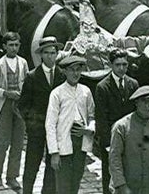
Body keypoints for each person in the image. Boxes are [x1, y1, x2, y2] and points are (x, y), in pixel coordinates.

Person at [20, 37, 66, 194]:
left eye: (53, 53)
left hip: (56, 128)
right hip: (37, 127)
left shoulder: (62, 75)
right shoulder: (32, 76)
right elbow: (23, 105)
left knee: (53, 163)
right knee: (32, 163)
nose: (50, 56)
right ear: (41, 55)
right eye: (46, 53)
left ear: (57, 54)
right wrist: (31, 122)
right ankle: (27, 191)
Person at [46, 55, 96, 194]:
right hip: (64, 141)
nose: (75, 73)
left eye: (78, 70)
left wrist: (88, 129)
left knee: (76, 180)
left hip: (80, 140)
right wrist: (54, 152)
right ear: (65, 72)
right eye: (72, 70)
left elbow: (92, 115)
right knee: (63, 184)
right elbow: (50, 124)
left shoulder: (85, 91)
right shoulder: (57, 93)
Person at [108, 85, 149, 194]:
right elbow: (114, 158)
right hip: (126, 185)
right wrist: (121, 185)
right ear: (136, 102)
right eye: (144, 101)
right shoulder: (121, 126)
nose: (147, 106)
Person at [95, 49, 139, 194]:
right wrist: (109, 145)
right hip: (111, 140)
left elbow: (136, 113)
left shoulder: (133, 84)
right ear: (111, 65)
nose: (121, 68)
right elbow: (101, 118)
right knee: (110, 176)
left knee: (129, 174)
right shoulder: (102, 87)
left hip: (130, 138)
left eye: (124, 65)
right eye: (118, 65)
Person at [0, 32, 28, 191]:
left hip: (19, 105)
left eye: (16, 45)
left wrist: (24, 96)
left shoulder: (23, 63)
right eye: (10, 45)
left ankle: (12, 176)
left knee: (18, 142)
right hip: (4, 104)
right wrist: (5, 93)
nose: (14, 48)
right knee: (3, 141)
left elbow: (26, 82)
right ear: (4, 46)